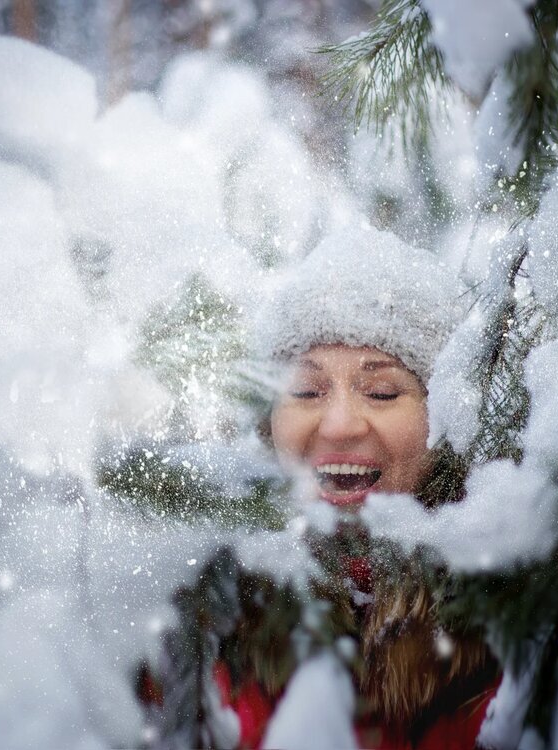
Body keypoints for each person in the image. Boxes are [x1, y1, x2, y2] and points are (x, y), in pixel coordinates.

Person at [214, 225, 498, 749]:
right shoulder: (203, 603)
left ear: (446, 419)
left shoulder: (516, 606)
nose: (340, 424)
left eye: (382, 392)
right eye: (306, 389)